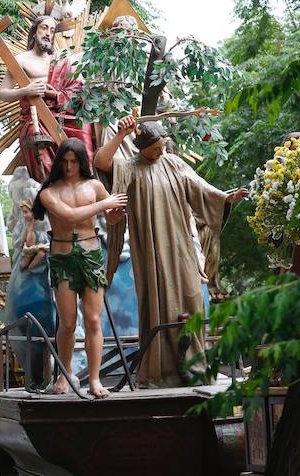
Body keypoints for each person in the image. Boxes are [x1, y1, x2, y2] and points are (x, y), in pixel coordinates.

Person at [95, 116, 248, 388]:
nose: (160, 151)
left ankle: (195, 363)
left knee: (192, 298)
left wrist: (225, 198)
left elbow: (200, 187)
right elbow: (101, 162)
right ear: (142, 147)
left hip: (181, 245)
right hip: (150, 248)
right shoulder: (130, 167)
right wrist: (120, 135)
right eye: (155, 148)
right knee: (158, 302)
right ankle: (161, 370)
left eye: (162, 145)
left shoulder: (174, 163)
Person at [32, 139, 128, 399]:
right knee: (68, 322)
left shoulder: (94, 186)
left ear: (82, 162)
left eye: (74, 161)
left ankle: (95, 380)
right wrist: (105, 205)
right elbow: (70, 216)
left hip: (91, 256)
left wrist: (114, 213)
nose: (69, 166)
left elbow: (111, 215)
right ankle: (64, 374)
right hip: (63, 259)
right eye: (64, 161)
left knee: (94, 319)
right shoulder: (48, 192)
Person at [0, 15, 93, 181]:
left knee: (83, 131)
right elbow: (3, 94)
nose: (48, 33)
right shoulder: (20, 60)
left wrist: (55, 95)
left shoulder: (62, 59)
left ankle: (85, 183)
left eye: (52, 30)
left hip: (65, 113)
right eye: (44, 28)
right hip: (36, 116)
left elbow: (79, 89)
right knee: (33, 136)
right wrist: (26, 90)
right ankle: (49, 186)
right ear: (34, 32)